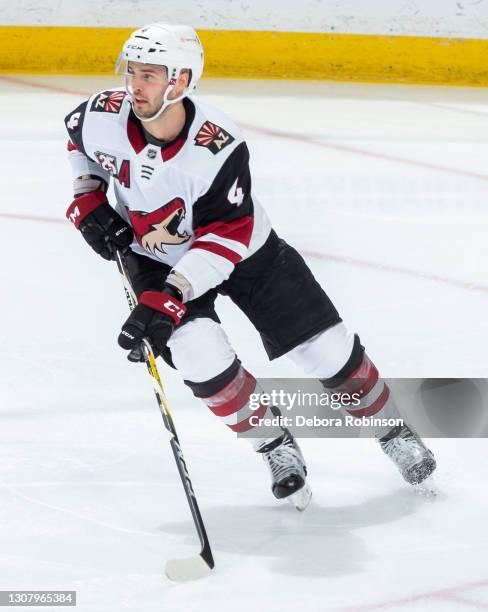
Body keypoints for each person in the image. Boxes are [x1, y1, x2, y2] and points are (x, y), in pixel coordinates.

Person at [64, 23, 436, 511]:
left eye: (150, 75)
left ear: (180, 82)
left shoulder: (215, 146)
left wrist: (174, 294)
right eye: (132, 72)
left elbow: (227, 235)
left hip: (245, 254)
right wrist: (87, 194)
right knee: (198, 356)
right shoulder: (100, 114)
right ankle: (275, 445)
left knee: (327, 351)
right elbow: (79, 144)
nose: (135, 85)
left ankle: (392, 429)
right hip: (154, 260)